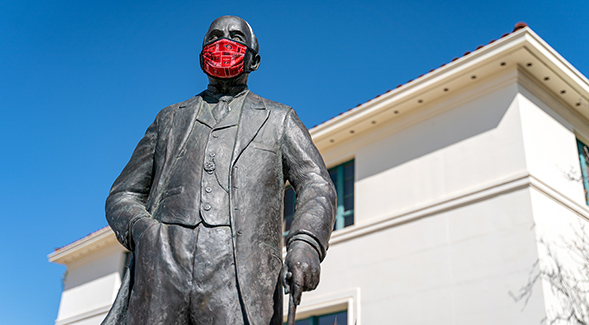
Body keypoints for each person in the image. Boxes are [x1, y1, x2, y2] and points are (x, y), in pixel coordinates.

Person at [102, 15, 336, 325]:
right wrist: (145, 231)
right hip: (162, 269)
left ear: (255, 60)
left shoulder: (280, 119)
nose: (223, 43)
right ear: (201, 56)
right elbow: (123, 194)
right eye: (214, 37)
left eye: (236, 38)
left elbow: (316, 184)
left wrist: (305, 242)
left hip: (240, 275)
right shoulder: (169, 120)